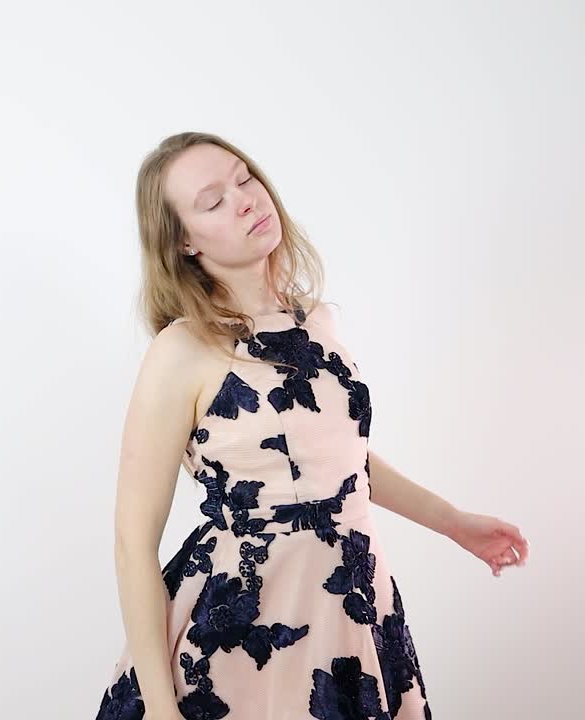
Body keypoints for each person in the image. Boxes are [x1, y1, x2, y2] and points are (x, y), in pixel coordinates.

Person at [95, 132, 530, 720]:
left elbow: (344, 464)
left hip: (351, 610)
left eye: (244, 177)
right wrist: (161, 710)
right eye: (213, 200)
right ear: (182, 242)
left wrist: (455, 524)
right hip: (243, 636)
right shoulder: (182, 350)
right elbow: (131, 546)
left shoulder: (319, 320)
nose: (246, 199)